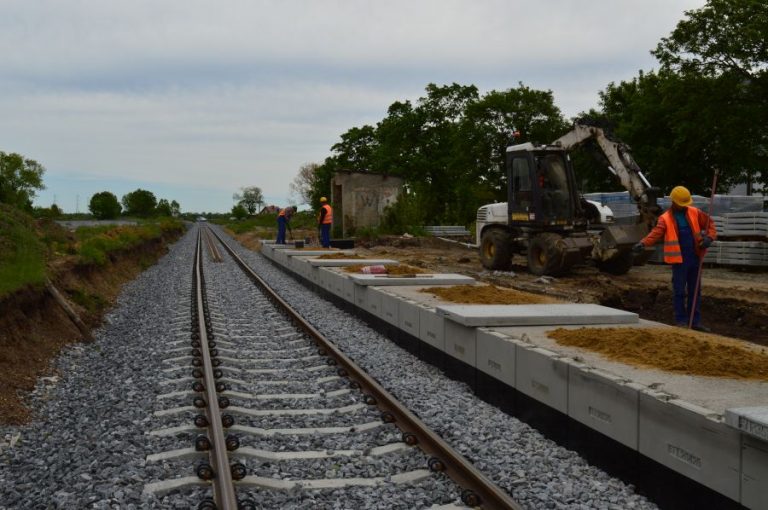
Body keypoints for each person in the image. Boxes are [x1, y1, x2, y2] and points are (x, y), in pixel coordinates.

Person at [632, 186, 716, 331]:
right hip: (679, 260)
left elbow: (710, 225)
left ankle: (694, 321)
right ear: (674, 202)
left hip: (695, 257)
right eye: (681, 204)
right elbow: (656, 233)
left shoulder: (694, 212)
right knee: (679, 291)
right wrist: (643, 243)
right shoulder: (665, 219)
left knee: (695, 291)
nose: (684, 207)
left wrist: (709, 238)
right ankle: (681, 321)